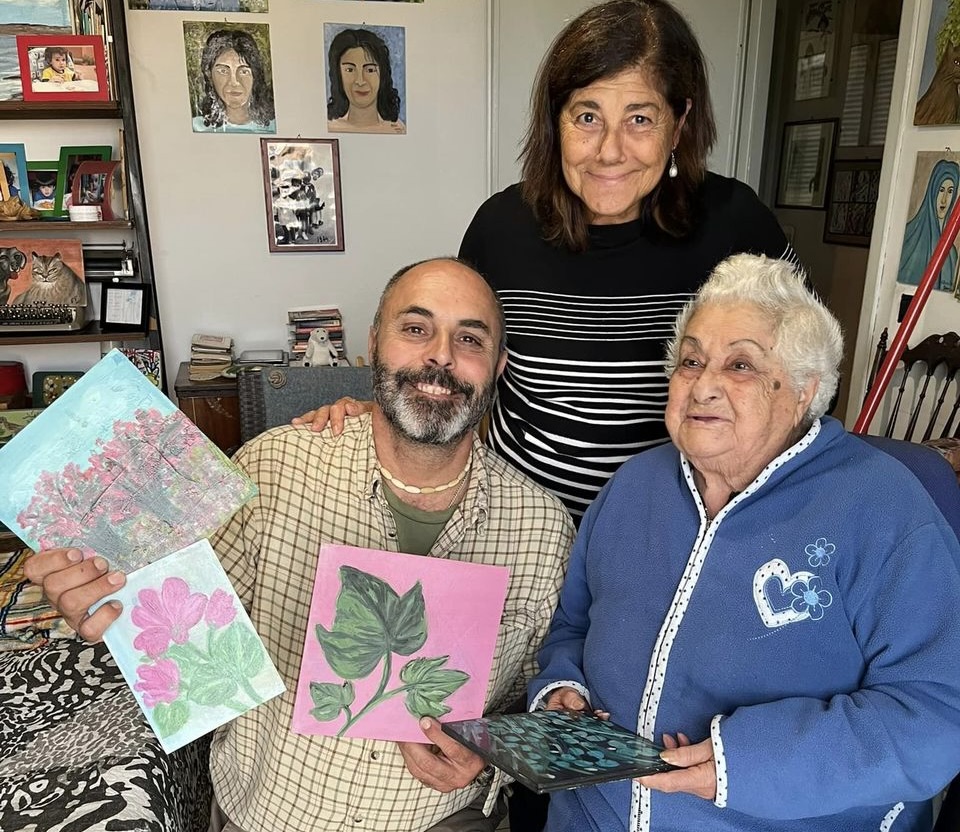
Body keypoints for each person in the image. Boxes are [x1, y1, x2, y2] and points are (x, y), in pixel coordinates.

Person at [25, 257, 574, 832]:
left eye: (469, 338)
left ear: (498, 365)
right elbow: (173, 626)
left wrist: (492, 757)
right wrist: (105, 597)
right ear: (374, 345)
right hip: (270, 815)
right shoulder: (272, 467)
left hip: (446, 820)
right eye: (416, 329)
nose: (440, 354)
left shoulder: (545, 527)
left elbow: (537, 700)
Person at [300, 0, 797, 523]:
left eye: (640, 119)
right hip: (519, 526)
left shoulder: (738, 228)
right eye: (587, 117)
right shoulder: (501, 228)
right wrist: (382, 420)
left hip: (674, 534)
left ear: (679, 125)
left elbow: (803, 387)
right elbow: (457, 364)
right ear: (555, 121)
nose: (609, 150)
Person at [529, 253, 960, 832]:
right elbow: (572, 626)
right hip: (588, 814)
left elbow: (937, 716)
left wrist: (746, 764)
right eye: (690, 361)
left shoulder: (882, 509)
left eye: (740, 366)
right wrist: (561, 688)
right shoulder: (634, 486)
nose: (703, 385)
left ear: (805, 391)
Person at [192, 29, 276, 134]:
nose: (234, 82)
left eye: (244, 71)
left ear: (255, 75)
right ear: (209, 75)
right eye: (223, 71)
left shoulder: (274, 127)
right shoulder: (197, 127)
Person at [326, 27, 406, 135]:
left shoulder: (398, 129)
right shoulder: (330, 126)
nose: (360, 81)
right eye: (350, 70)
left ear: (383, 75)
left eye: (370, 70)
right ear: (338, 74)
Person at [897, 157, 959, 292]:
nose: (944, 200)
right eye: (941, 190)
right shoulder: (908, 236)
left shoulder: (952, 254)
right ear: (933, 190)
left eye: (950, 192)